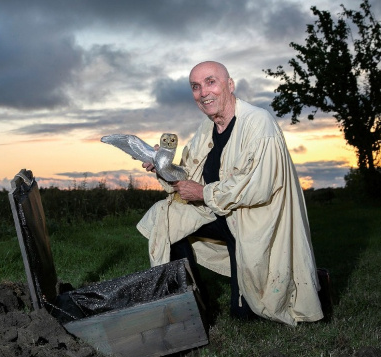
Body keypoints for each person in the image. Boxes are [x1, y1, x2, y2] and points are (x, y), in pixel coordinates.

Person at [137, 61, 323, 326]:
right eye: (195, 87)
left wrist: (203, 192)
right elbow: (188, 173)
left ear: (230, 85)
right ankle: (193, 304)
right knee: (166, 219)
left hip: (254, 219)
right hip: (219, 213)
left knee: (247, 315)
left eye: (210, 82)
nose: (203, 92)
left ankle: (306, 281)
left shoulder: (259, 123)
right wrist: (163, 167)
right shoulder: (207, 128)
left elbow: (257, 187)